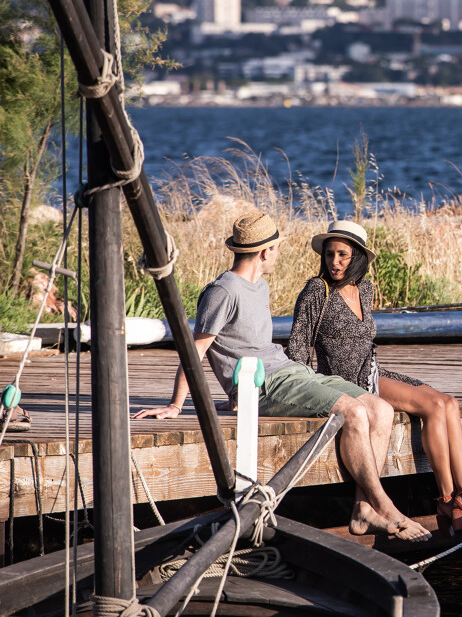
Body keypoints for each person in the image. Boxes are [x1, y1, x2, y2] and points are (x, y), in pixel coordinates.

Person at [133, 212, 429, 542]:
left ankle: (364, 510)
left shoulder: (259, 286)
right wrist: (176, 404)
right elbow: (195, 350)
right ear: (265, 252)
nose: (277, 254)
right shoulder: (223, 291)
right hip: (264, 386)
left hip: (291, 372)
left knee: (381, 409)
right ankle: (385, 505)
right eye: (276, 248)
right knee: (354, 412)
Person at [288, 220, 462, 536]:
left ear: (357, 256)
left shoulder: (366, 289)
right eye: (330, 255)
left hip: (373, 372)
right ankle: (445, 497)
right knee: (432, 408)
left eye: (343, 255)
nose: (334, 262)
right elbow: (297, 344)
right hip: (344, 383)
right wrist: (304, 390)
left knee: (447, 403)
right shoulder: (317, 291)